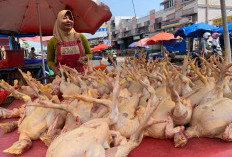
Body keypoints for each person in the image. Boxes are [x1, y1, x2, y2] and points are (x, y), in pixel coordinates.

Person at [47, 10, 92, 75]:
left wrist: (85, 58)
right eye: (64, 18)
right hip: (62, 77)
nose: (68, 20)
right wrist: (57, 72)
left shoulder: (81, 37)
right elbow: (49, 61)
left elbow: (90, 54)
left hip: (82, 75)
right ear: (59, 21)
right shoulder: (53, 41)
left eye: (71, 18)